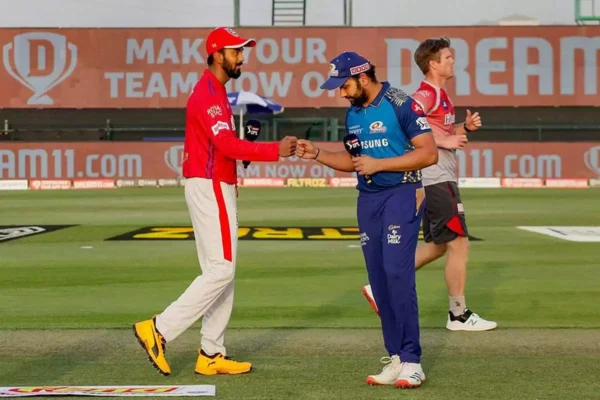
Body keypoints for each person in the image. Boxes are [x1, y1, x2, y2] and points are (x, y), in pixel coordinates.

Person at [132, 27, 297, 377]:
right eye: (236, 51)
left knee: (222, 273)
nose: (242, 58)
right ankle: (158, 329)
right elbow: (225, 146)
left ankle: (211, 353)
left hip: (214, 183)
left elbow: (221, 147)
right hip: (209, 185)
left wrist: (233, 175)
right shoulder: (209, 93)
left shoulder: (215, 91)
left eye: (242, 51)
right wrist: (274, 150)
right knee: (221, 270)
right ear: (217, 54)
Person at [296, 51, 438, 388]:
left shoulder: (401, 103)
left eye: (344, 85)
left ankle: (413, 360)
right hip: (368, 199)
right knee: (379, 277)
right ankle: (396, 357)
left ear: (362, 77)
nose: (341, 93)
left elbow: (429, 153)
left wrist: (380, 164)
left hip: (402, 193)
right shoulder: (354, 113)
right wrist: (317, 153)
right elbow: (356, 161)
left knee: (397, 273)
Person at [361, 37, 497, 332]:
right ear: (433, 64)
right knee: (459, 244)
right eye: (447, 57)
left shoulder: (440, 95)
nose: (452, 61)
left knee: (437, 247)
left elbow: (434, 129)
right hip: (436, 178)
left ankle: (377, 287)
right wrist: (445, 140)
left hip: (436, 178)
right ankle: (458, 315)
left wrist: (463, 128)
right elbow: (404, 124)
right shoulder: (426, 94)